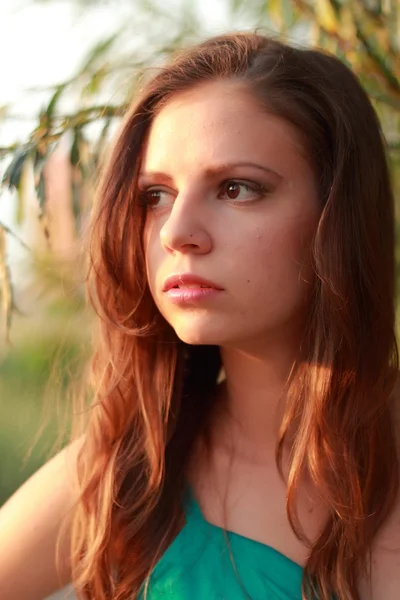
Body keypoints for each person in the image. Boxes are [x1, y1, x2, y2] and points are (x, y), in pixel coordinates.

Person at [1, 31, 400, 600]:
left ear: (336, 217)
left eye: (236, 189)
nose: (176, 232)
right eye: (155, 196)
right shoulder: (128, 470)